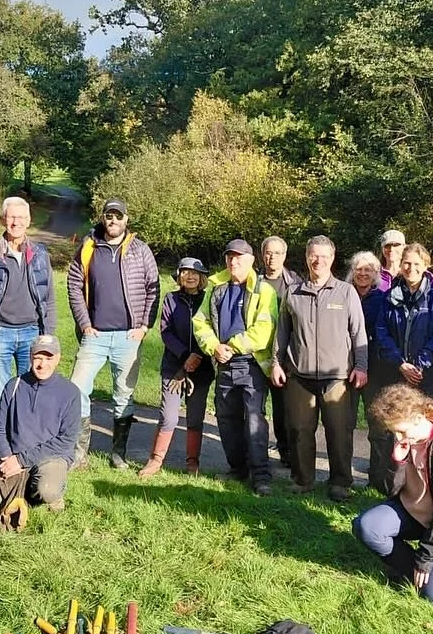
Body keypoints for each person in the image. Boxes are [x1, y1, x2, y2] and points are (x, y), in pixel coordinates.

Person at [352, 384, 433, 606]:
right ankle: (413, 571)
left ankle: (431, 571)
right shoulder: (401, 438)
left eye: (401, 431)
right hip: (413, 513)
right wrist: (398, 461)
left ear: (417, 417)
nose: (398, 436)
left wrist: (427, 557)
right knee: (367, 527)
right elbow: (389, 489)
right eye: (394, 431)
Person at [271, 236, 368, 501]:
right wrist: (277, 364)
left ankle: (340, 483)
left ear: (333, 259)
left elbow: (359, 334)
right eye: (314, 255)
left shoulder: (346, 292)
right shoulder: (293, 292)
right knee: (300, 431)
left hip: (337, 377)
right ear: (306, 257)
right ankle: (303, 480)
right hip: (299, 376)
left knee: (339, 432)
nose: (318, 261)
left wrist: (361, 366)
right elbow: (282, 333)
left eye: (324, 256)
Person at [67, 199, 160, 469]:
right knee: (77, 389)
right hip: (94, 336)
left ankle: (118, 454)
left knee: (123, 394)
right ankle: (79, 454)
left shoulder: (140, 250)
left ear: (126, 220)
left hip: (128, 337)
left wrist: (144, 326)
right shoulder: (87, 247)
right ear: (103, 217)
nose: (113, 221)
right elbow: (74, 285)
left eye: (118, 216)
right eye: (109, 215)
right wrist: (84, 324)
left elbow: (153, 289)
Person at [0, 197, 57, 447]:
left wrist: (48, 336)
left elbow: (49, 296)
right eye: (11, 217)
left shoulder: (39, 254)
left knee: (31, 388)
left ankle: (27, 440)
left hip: (31, 333)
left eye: (21, 218)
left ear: (29, 222)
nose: (15, 222)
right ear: (2, 220)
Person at [192, 240, 279, 495]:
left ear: (252, 260)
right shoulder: (216, 288)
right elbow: (201, 321)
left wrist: (232, 345)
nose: (234, 261)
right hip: (224, 364)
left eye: (239, 257)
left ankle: (261, 475)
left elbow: (265, 329)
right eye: (230, 257)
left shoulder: (264, 290)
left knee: (254, 420)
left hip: (251, 364)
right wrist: (214, 347)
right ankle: (237, 469)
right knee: (226, 419)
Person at [0, 335, 81, 523]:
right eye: (38, 357)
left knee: (47, 489)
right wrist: (7, 457)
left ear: (58, 358)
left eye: (48, 358)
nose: (42, 364)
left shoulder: (70, 392)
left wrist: (21, 460)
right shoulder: (13, 386)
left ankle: (49, 494)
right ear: (30, 357)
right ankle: (21, 489)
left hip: (50, 457)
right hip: (13, 457)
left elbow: (66, 441)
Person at [140, 258, 214, 478]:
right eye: (185, 272)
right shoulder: (171, 299)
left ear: (201, 277)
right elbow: (166, 331)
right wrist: (185, 357)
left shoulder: (208, 299)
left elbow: (213, 330)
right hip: (173, 366)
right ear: (179, 276)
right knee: (169, 416)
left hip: (202, 367)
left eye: (195, 273)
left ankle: (192, 462)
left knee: (195, 416)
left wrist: (197, 357)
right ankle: (155, 460)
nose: (190, 276)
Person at [375, 243, 433, 405]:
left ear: (426, 266)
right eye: (407, 263)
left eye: (417, 264)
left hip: (431, 376)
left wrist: (418, 366)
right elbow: (381, 332)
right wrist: (400, 364)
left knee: (430, 427)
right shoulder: (389, 297)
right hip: (396, 375)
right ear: (401, 264)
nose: (411, 268)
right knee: (398, 426)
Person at [347, 252, 392, 493]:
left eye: (368, 270)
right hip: (345, 367)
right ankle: (342, 477)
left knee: (378, 426)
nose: (363, 274)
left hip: (377, 369)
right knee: (345, 423)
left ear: (376, 274)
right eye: (358, 269)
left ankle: (377, 479)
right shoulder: (343, 293)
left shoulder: (384, 298)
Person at [260, 236, 302, 467]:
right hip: (257, 354)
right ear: (262, 254)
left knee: (283, 408)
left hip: (284, 355)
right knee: (255, 407)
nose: (272, 257)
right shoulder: (252, 281)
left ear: (284, 256)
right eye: (268, 252)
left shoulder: (295, 283)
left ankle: (286, 451)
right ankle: (255, 451)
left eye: (277, 253)